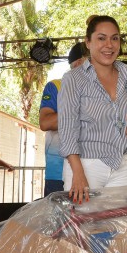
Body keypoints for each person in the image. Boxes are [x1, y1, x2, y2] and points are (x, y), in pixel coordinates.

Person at [58, 15, 127, 203]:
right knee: (83, 228)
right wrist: (77, 172)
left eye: (115, 38)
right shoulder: (73, 78)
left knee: (123, 228)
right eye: (101, 38)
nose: (109, 45)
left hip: (124, 163)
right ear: (88, 42)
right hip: (86, 164)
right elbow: (68, 129)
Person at [39, 42, 87, 196]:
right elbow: (45, 122)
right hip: (58, 171)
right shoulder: (56, 86)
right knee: (59, 219)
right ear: (79, 62)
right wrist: (81, 110)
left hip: (93, 168)